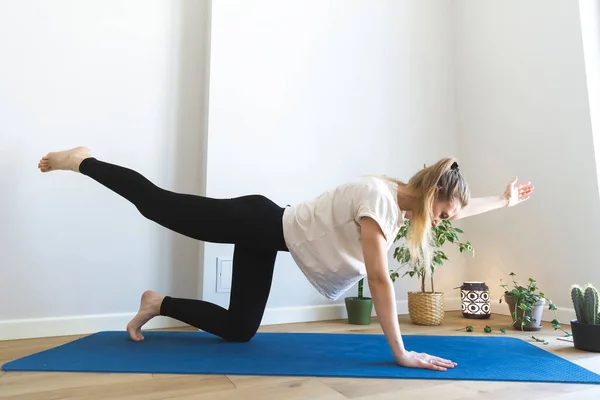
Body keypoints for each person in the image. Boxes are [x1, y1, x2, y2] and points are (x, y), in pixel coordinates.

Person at [37, 146, 534, 373]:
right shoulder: (380, 201)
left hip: (269, 236)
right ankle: (82, 160)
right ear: (431, 197)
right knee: (157, 204)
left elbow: (458, 215)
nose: (445, 222)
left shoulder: (402, 203)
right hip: (256, 221)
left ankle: (157, 301)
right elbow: (380, 282)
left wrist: (504, 201)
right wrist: (401, 352)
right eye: (444, 212)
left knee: (239, 329)